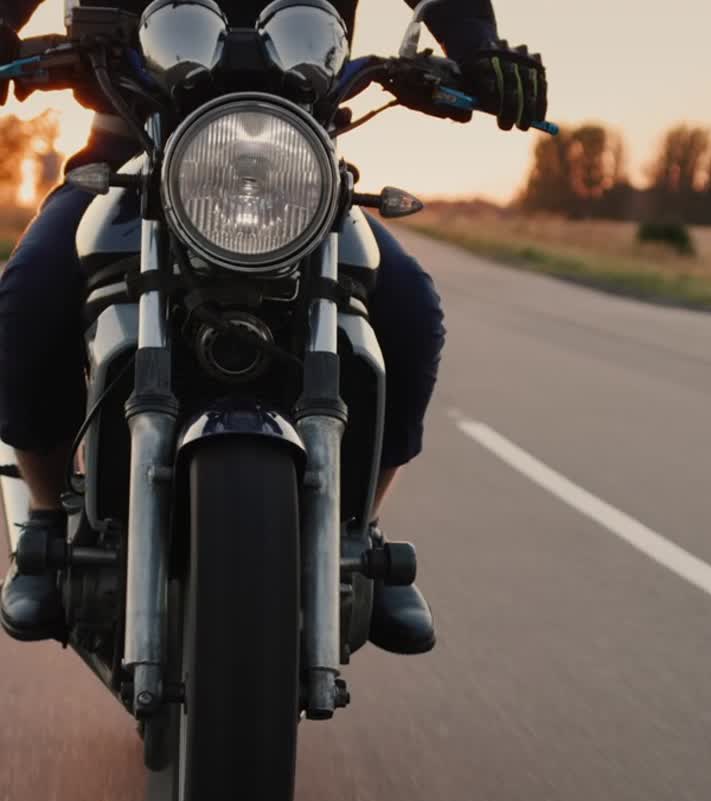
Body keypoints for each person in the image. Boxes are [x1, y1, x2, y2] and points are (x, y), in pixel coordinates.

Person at [0, 0, 547, 653]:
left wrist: (479, 48)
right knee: (28, 298)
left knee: (408, 310)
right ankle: (42, 525)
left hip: (295, 163)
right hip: (128, 147)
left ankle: (359, 530)